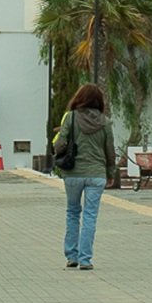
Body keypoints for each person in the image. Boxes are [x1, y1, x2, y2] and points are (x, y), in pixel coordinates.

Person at [53, 83, 118, 270]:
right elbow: (110, 150)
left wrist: (59, 150)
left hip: (73, 173)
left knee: (73, 212)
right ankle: (85, 259)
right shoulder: (105, 122)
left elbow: (60, 144)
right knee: (90, 215)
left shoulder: (71, 118)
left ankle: (71, 255)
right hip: (96, 174)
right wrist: (110, 172)